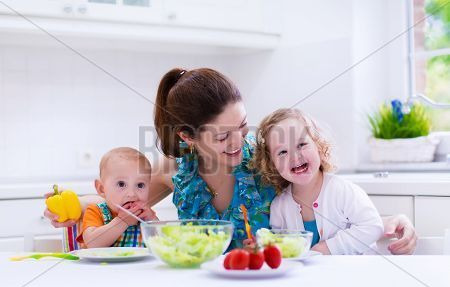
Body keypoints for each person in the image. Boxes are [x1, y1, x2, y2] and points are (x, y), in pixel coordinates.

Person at [44, 67, 417, 255]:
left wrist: (386, 222)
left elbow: (323, 202)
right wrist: (72, 209)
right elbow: (124, 201)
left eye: (242, 125)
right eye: (223, 136)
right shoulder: (177, 170)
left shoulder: (268, 157)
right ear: (189, 138)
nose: (239, 141)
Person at [253, 108, 384, 254]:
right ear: (272, 164)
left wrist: (327, 248)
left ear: (318, 145)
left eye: (301, 145)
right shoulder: (279, 206)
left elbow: (372, 226)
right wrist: (263, 246)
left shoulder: (342, 191)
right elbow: (281, 248)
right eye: (282, 152)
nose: (295, 157)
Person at [76, 147, 157, 248]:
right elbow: (92, 243)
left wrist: (153, 221)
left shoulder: (146, 216)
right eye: (121, 184)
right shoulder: (96, 211)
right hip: (105, 264)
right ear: (102, 189)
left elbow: (164, 244)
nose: (132, 194)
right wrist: (122, 222)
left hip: (139, 264)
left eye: (140, 185)